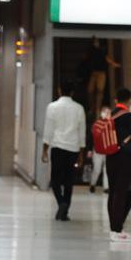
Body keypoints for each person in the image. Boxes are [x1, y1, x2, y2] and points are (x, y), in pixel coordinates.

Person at [105, 88, 131, 242]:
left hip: (111, 156)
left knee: (114, 191)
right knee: (125, 191)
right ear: (129, 100)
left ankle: (114, 228)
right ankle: (117, 229)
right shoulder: (130, 117)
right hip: (127, 158)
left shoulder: (110, 116)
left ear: (116, 100)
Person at [42, 82, 87, 221]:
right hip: (73, 148)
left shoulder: (52, 107)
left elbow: (48, 129)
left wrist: (45, 150)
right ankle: (65, 209)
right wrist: (81, 154)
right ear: (72, 92)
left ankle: (61, 203)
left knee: (55, 179)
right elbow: (82, 132)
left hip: (57, 147)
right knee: (69, 180)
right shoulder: (79, 108)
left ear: (59, 90)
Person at [85, 36, 119, 118]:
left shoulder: (102, 50)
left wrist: (113, 64)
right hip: (94, 72)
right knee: (90, 90)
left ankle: (97, 108)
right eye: (95, 42)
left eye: (97, 41)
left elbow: (106, 58)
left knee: (100, 91)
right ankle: (92, 108)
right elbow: (87, 59)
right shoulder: (91, 50)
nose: (96, 43)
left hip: (101, 72)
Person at [88, 106, 111, 194]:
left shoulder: (111, 124)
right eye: (106, 112)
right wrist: (90, 150)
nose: (107, 114)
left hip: (108, 150)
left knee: (107, 169)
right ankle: (93, 184)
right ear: (102, 113)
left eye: (109, 112)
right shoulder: (96, 124)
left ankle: (106, 187)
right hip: (97, 150)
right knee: (97, 169)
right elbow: (91, 138)